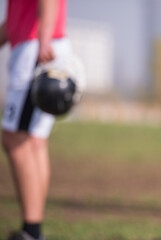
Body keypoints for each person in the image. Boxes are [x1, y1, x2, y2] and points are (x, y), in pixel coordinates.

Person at [0, 0, 72, 239]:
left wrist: (44, 38)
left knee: (15, 139)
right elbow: (13, 21)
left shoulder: (40, 39)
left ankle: (31, 231)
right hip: (43, 40)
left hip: (37, 44)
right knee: (35, 141)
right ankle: (32, 228)